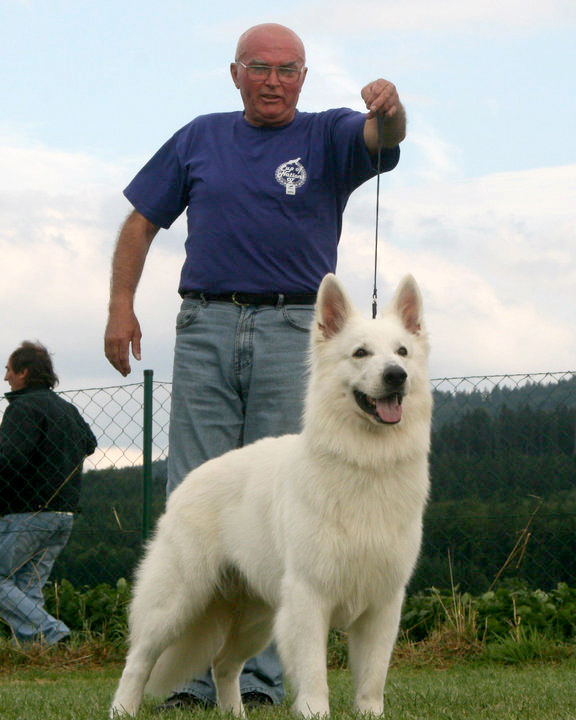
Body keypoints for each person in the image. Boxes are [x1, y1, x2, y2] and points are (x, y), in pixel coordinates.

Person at [104, 22, 406, 710]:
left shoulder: (329, 135)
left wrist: (390, 108)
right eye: (260, 68)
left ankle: (263, 682)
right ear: (235, 73)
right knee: (199, 492)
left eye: (287, 69)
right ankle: (186, 682)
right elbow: (140, 222)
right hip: (206, 324)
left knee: (286, 507)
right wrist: (121, 305)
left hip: (296, 331)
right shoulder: (198, 137)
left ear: (304, 76)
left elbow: (384, 136)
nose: (274, 81)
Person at [0, 341, 97, 646]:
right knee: (27, 585)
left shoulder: (22, 408)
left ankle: (53, 633)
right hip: (63, 513)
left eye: (9, 370)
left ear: (24, 372)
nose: (5, 377)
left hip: (26, 511)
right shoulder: (66, 409)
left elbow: (10, 459)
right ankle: (37, 649)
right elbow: (90, 443)